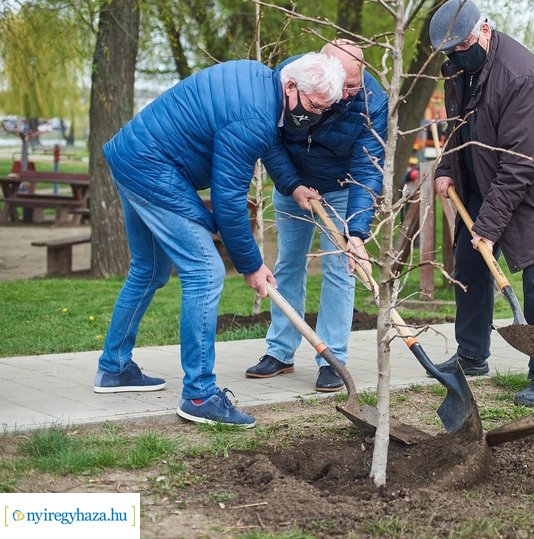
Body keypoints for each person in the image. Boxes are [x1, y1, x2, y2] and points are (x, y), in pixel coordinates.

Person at [95, 52, 347, 427]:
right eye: (313, 106)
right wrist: (251, 266)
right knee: (206, 271)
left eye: (323, 110)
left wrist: (292, 186)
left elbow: (268, 145)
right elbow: (229, 202)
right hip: (153, 168)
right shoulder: (255, 115)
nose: (314, 116)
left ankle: (114, 367)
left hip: (132, 155)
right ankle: (199, 394)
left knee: (149, 270)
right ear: (291, 86)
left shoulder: (262, 82)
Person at [428, 0, 534, 406]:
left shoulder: (519, 77)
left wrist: (487, 226)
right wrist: (446, 165)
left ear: (484, 29)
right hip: (490, 181)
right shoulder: (461, 68)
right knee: (469, 263)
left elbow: (520, 166)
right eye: (450, 52)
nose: (456, 57)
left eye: (463, 47)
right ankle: (471, 354)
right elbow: (459, 126)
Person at [246, 40, 387, 392]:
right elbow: (270, 139)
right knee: (288, 264)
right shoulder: (291, 77)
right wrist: (292, 185)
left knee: (340, 268)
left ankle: (332, 358)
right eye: (346, 86)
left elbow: (367, 169)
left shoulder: (372, 102)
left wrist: (356, 231)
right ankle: (280, 352)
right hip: (291, 183)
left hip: (340, 188)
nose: (351, 92)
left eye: (356, 83)